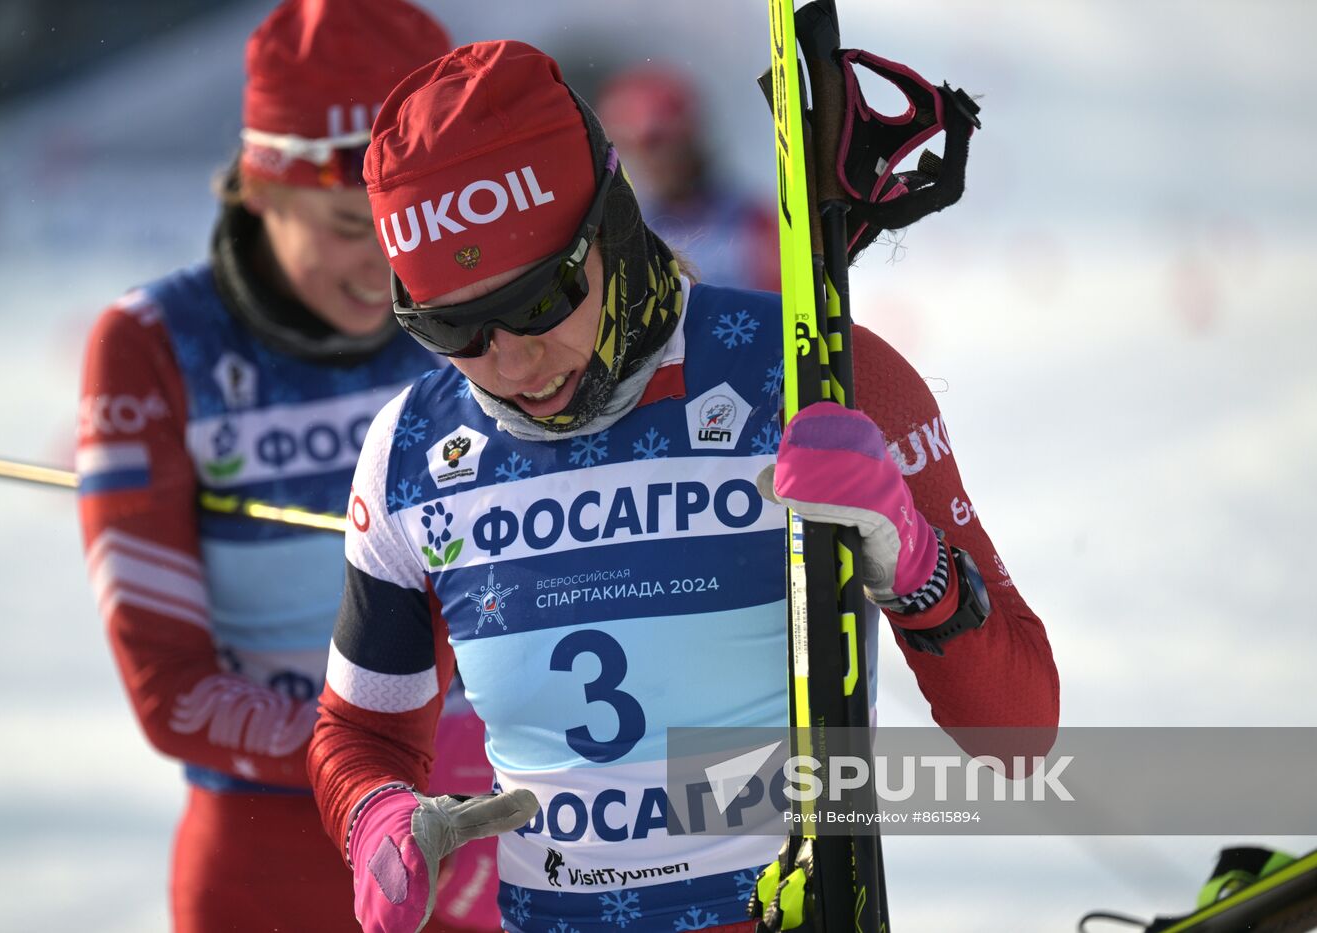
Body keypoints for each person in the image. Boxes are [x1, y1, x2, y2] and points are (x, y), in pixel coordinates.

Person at [309, 41, 1059, 933]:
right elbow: (363, 733)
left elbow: (1020, 736)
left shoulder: (820, 377)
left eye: (541, 302)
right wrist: (376, 815)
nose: (509, 361)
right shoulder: (413, 450)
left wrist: (917, 567)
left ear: (613, 227)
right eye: (453, 330)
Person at [74, 2, 500, 930]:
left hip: (488, 832)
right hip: (271, 859)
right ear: (262, 187)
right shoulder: (156, 344)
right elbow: (170, 690)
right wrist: (399, 766)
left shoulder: (487, 319)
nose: (390, 266)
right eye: (353, 222)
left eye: (409, 225)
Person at [597, 63, 779, 292]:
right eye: (630, 146)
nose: (650, 161)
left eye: (658, 143)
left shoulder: (752, 221)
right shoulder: (609, 232)